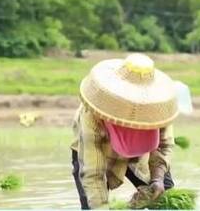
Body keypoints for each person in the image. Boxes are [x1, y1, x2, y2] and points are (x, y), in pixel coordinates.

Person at [71, 53, 179, 209]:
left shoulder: (157, 107)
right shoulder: (92, 114)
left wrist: (158, 178)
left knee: (165, 198)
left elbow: (164, 146)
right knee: (91, 205)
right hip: (98, 150)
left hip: (142, 153)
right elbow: (93, 174)